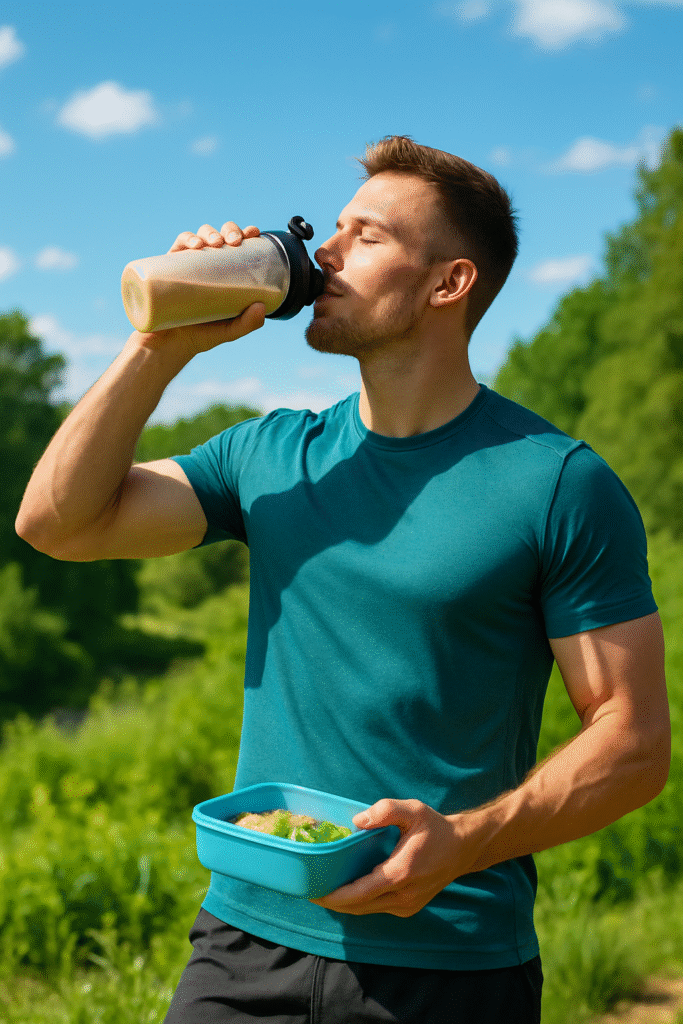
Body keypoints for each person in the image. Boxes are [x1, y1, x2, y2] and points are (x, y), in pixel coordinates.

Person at [16, 135, 670, 1024]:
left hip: (451, 962)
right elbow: (57, 523)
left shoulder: (555, 482)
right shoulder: (271, 454)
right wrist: (159, 348)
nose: (324, 253)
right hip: (242, 944)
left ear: (450, 283)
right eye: (332, 228)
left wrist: (460, 843)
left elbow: (631, 742)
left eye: (366, 236)